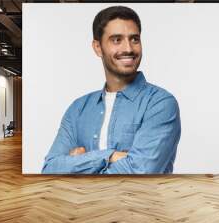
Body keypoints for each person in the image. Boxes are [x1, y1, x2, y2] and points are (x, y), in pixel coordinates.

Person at [42, 5, 181, 174]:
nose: (128, 48)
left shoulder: (160, 103)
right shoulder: (78, 109)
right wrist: (109, 156)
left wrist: (78, 162)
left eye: (134, 39)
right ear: (97, 47)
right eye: (117, 40)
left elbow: (141, 172)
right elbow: (50, 168)